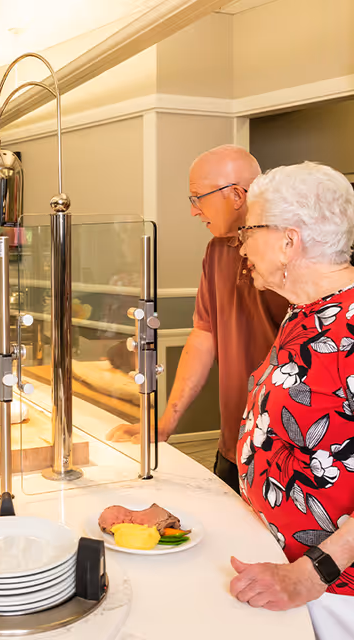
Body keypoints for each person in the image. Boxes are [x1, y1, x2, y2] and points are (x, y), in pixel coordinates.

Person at [106, 145, 288, 493]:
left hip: (284, 455)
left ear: (237, 194)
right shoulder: (216, 250)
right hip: (233, 444)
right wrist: (164, 423)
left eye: (198, 198)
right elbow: (204, 335)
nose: (194, 211)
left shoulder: (290, 254)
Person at [230, 162, 354, 637]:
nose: (241, 245)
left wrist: (312, 573)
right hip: (283, 569)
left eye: (249, 231)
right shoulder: (305, 312)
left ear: (289, 240)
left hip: (332, 590)